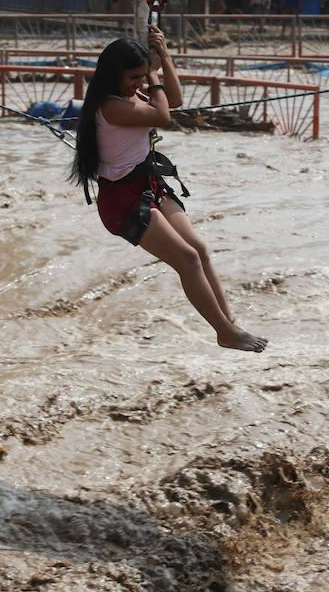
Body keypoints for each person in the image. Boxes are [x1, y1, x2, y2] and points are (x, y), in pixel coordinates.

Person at [70, 30, 268, 354]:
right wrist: (151, 72)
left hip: (147, 185)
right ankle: (224, 331)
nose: (139, 84)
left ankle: (227, 325)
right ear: (114, 74)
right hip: (122, 200)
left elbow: (173, 101)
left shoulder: (132, 96)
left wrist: (164, 57)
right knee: (187, 259)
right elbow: (163, 116)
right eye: (132, 77)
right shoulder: (111, 106)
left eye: (140, 77)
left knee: (199, 249)